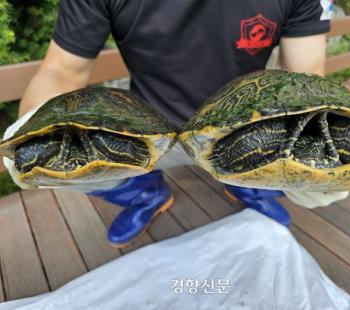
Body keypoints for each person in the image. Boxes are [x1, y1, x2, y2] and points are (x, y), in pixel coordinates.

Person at [13, 0, 332, 247]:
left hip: (241, 132)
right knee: (58, 161)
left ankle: (246, 183)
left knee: (312, 154)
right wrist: (32, 127)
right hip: (149, 134)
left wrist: (321, 138)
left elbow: (303, 79)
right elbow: (61, 72)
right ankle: (144, 192)